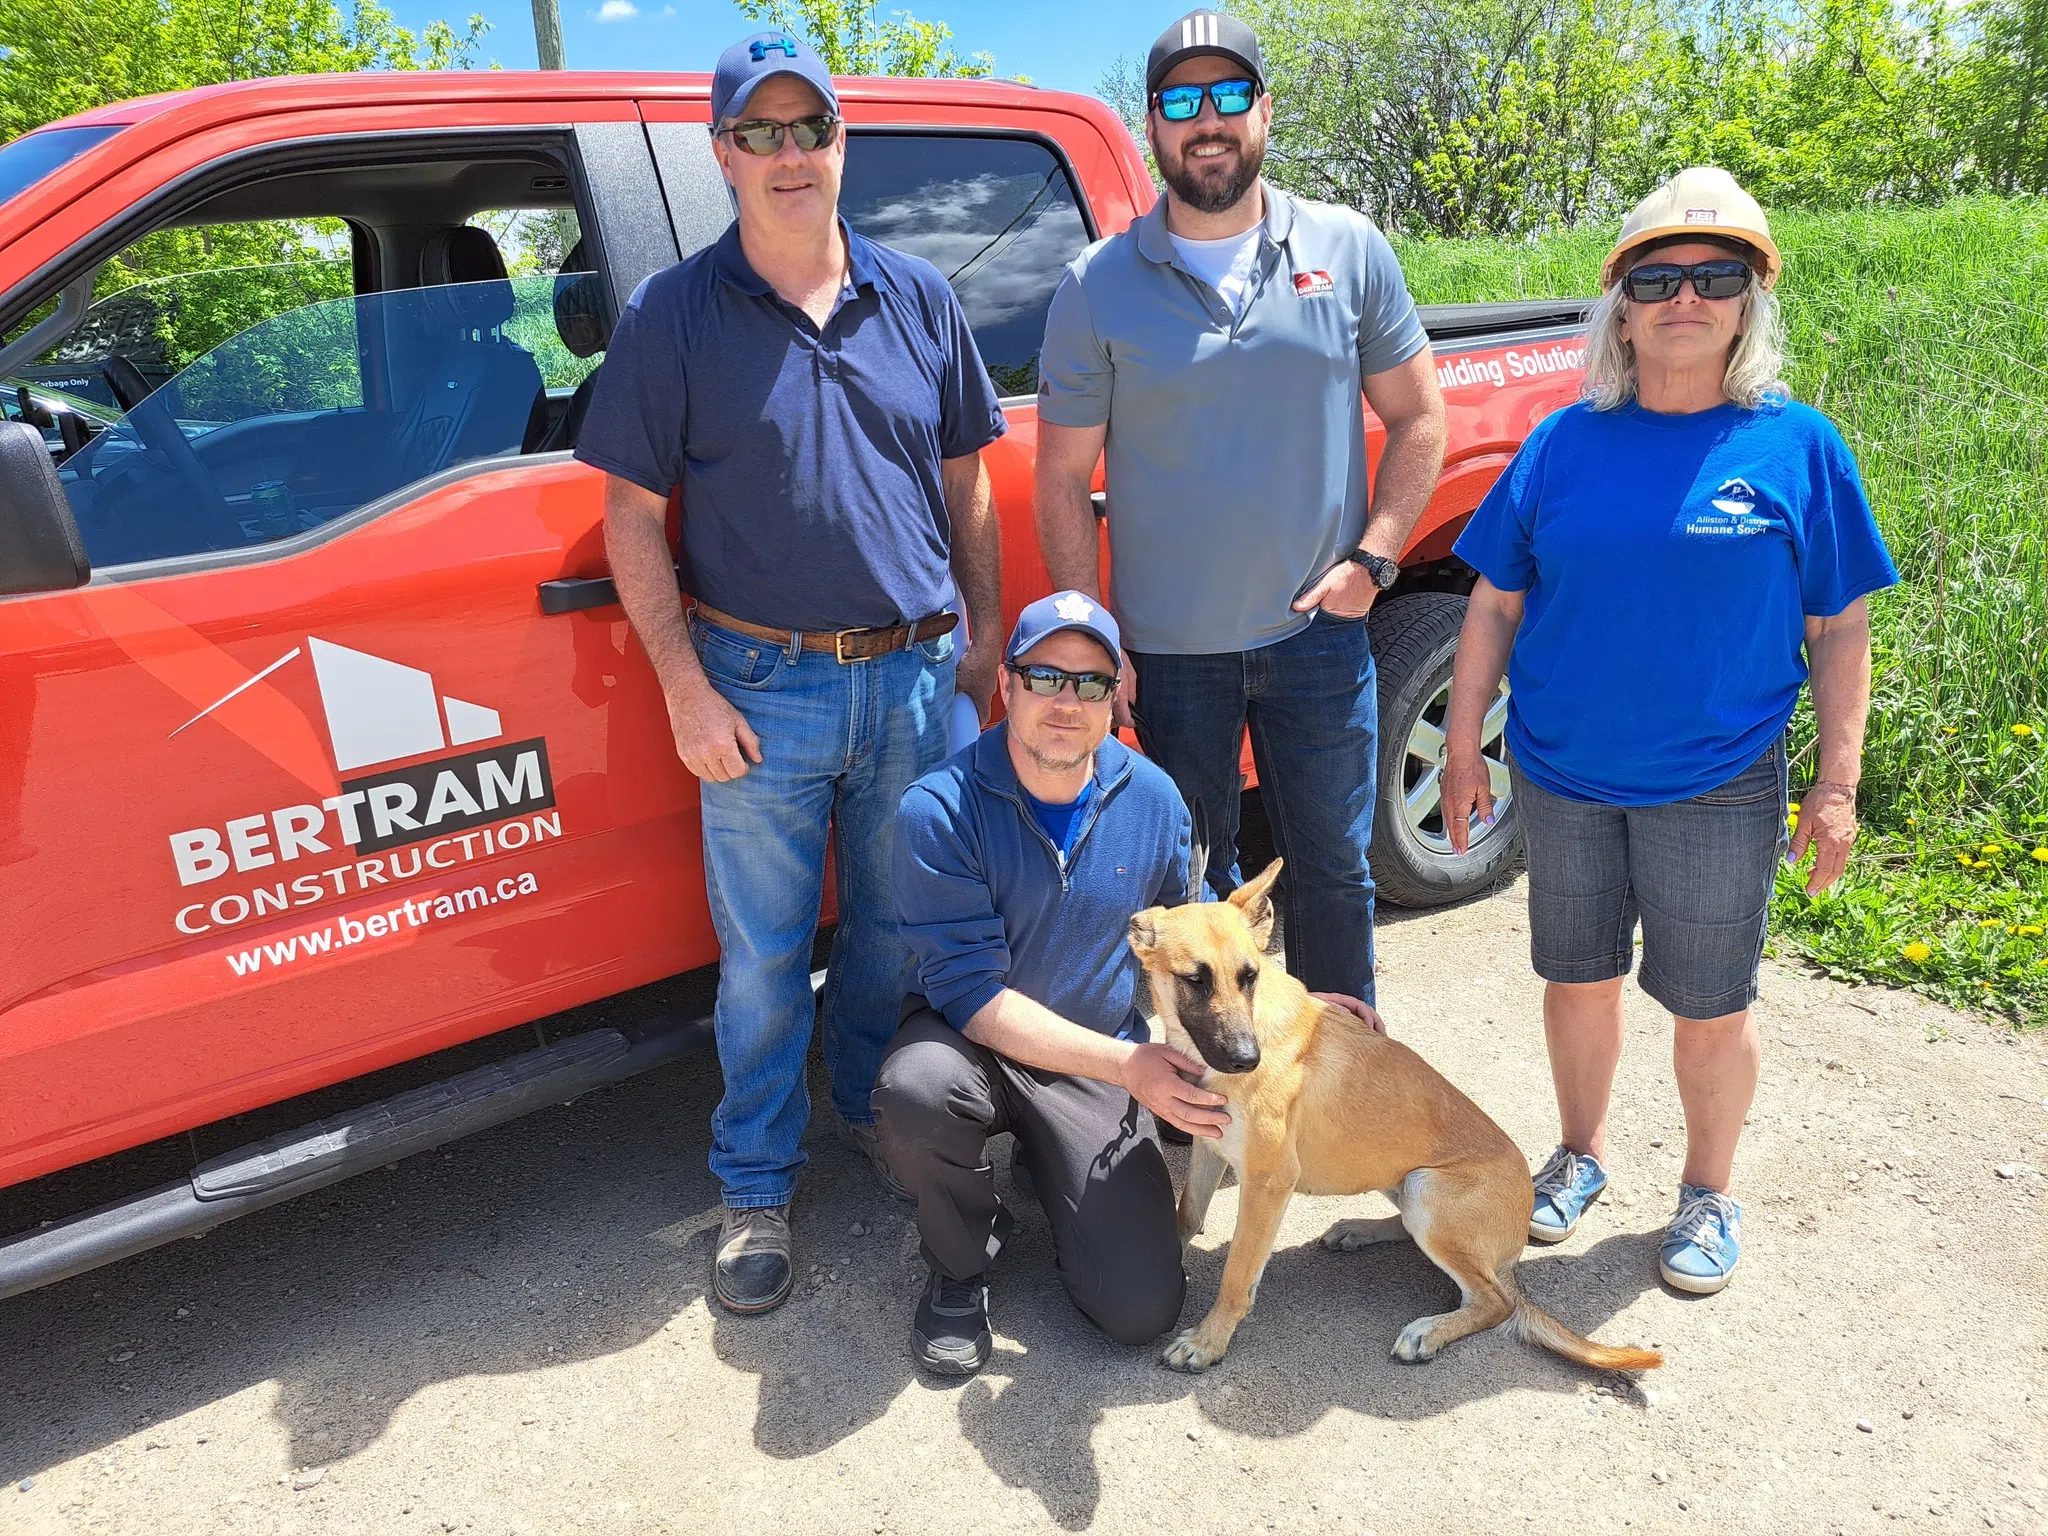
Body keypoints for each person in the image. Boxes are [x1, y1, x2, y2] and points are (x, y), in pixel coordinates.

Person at [573, 29, 1009, 1315]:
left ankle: (873, 1109)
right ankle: (754, 1182)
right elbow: (627, 519)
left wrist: (983, 639)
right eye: (756, 134)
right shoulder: (674, 316)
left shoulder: (919, 296)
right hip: (756, 688)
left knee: (891, 929)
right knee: (763, 957)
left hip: (917, 678)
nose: (786, 154)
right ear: (720, 156)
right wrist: (682, 688)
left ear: (839, 140)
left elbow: (966, 484)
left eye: (805, 128)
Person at [1439, 167, 1898, 1296]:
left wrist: (1833, 784)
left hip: (1716, 779)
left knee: (1710, 1002)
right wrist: (1461, 746)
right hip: (1563, 773)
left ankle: (1705, 1193)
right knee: (1576, 980)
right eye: (1655, 277)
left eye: (1714, 275)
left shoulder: (1797, 448)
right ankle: (1579, 1154)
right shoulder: (1560, 444)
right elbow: (1492, 603)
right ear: (1620, 303)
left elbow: (1839, 628)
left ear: (1748, 299)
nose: (1682, 297)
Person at [1034, 8, 1448, 1012]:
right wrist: (1096, 641)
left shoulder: (1345, 249)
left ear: (1263, 111)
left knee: (1333, 875)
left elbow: (1419, 416)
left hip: (1317, 640)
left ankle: (1344, 1077)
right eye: (1180, 100)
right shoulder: (1096, 286)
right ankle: (1205, 1102)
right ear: (1152, 127)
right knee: (1189, 893)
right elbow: (1057, 480)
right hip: (1170, 659)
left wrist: (1375, 562)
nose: (1205, 119)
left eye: (1226, 96)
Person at [876, 590, 1383, 1375]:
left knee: (1141, 1310)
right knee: (916, 1091)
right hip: (971, 1045)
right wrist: (1130, 1066)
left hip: (1092, 1061)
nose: (1066, 702)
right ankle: (959, 1262)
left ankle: (1054, 1174)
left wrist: (1295, 1001)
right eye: (1045, 677)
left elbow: (1200, 937)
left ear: (1117, 698)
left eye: (1090, 683)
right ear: (1005, 684)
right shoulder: (938, 810)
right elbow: (973, 999)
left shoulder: (1154, 798)